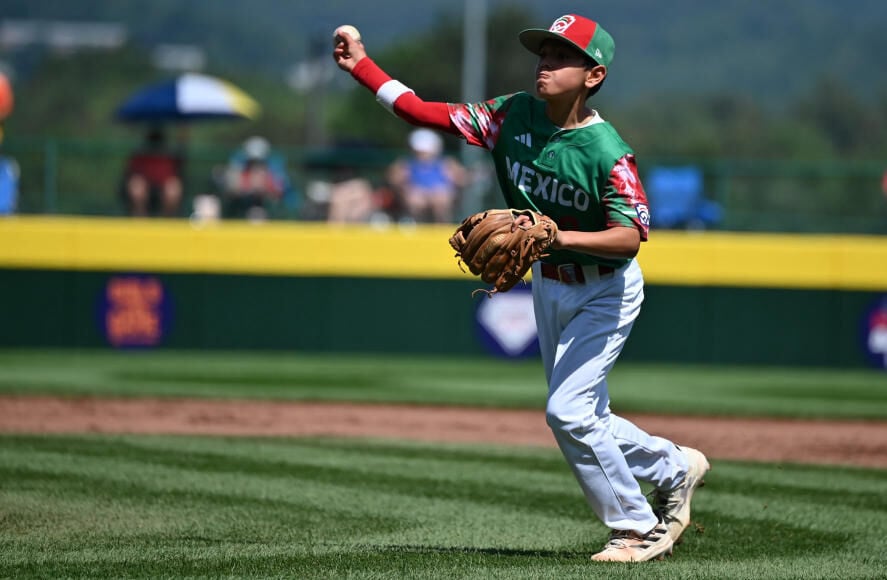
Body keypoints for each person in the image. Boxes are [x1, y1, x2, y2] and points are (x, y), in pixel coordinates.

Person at [334, 14, 710, 563]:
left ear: (593, 75)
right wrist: (362, 66)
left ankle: (635, 527)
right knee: (583, 416)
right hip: (549, 284)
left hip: (605, 290)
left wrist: (558, 234)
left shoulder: (608, 151)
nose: (546, 64)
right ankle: (675, 467)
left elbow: (629, 238)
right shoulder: (510, 114)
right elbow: (421, 111)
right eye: (544, 54)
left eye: (562, 57)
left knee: (568, 412)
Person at [387, 128, 466, 223]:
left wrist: (455, 178)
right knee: (415, 199)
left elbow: (462, 178)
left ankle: (442, 227)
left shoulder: (446, 164)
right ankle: (416, 226)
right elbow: (393, 178)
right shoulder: (406, 164)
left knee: (440, 199)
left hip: (439, 193)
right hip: (416, 194)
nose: (422, 155)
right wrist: (403, 184)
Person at [221, 136, 293, 221]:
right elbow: (232, 188)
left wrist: (266, 189)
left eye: (259, 162)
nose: (255, 166)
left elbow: (280, 189)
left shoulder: (275, 168)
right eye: (252, 162)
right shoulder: (239, 166)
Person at [121, 127, 183, 217]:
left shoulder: (170, 156)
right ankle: (140, 220)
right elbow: (131, 173)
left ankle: (168, 220)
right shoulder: (140, 155)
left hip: (162, 187)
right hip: (146, 187)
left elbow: (177, 173)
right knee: (137, 186)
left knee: (173, 188)